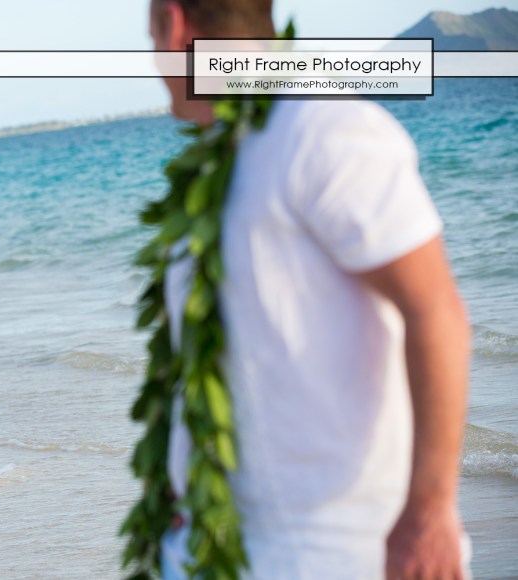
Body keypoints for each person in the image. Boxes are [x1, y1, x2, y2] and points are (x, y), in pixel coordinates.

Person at [148, 1, 472, 578]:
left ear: (173, 26)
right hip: (222, 547)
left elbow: (437, 312)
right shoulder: (225, 156)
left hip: (341, 555)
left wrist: (429, 514)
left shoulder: (320, 128)